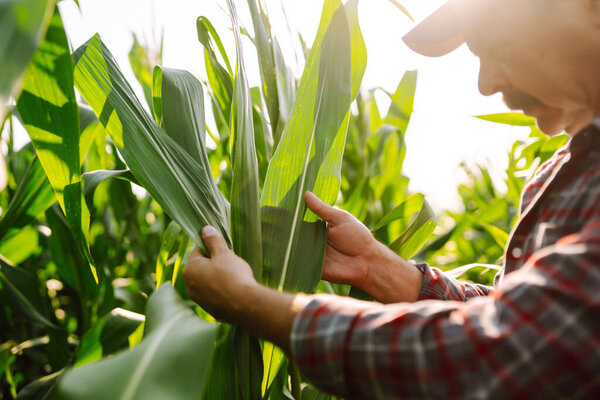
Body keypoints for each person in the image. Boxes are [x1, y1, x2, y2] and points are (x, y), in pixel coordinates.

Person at [183, 0, 600, 397]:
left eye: (499, 45)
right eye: (478, 54)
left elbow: (499, 354)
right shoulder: (565, 169)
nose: (485, 83)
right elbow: (522, 314)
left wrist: (251, 303)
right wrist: (378, 268)